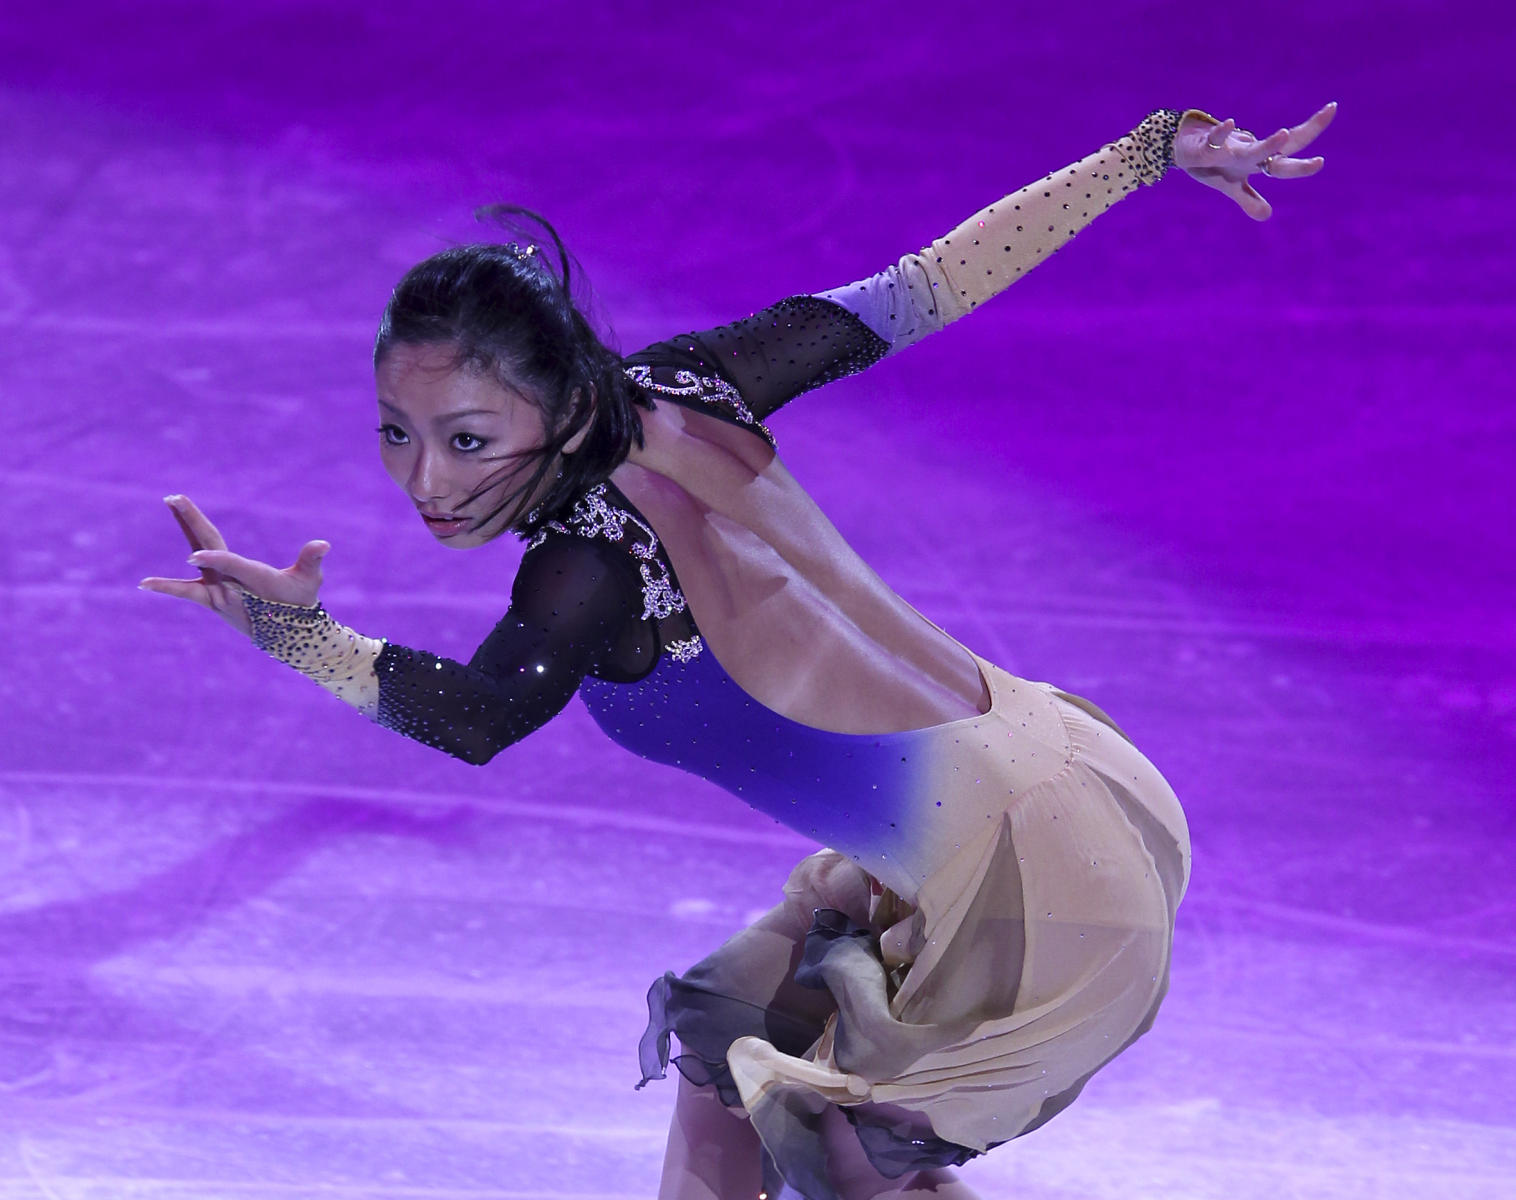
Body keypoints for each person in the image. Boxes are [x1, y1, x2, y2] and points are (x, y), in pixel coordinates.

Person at [141, 102, 1335, 1200]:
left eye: (465, 439)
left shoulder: (587, 566)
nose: (426, 483)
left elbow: (476, 718)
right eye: (398, 434)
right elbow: (926, 285)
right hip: (1044, 786)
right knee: (734, 1078)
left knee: (846, 1154)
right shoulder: (690, 384)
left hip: (1031, 888)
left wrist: (294, 630)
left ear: (558, 407)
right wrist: (1146, 151)